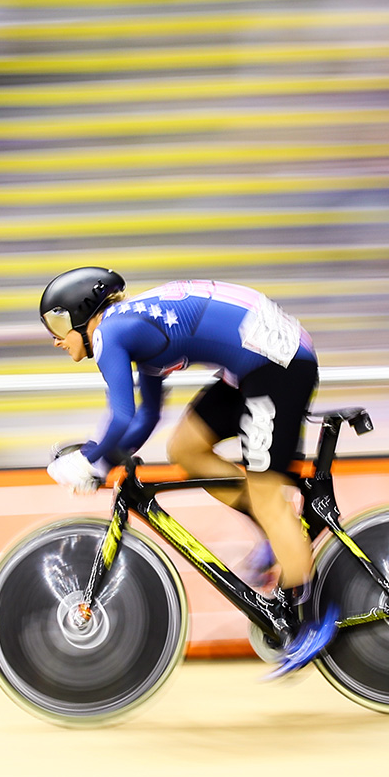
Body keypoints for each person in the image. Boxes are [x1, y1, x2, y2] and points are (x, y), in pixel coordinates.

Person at [38, 266, 336, 669]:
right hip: (257, 363)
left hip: (277, 365)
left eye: (56, 321)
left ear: (82, 310)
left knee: (268, 496)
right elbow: (145, 420)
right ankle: (275, 533)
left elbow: (122, 417)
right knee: (186, 448)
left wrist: (91, 460)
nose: (54, 337)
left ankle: (309, 624)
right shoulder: (131, 330)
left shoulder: (110, 332)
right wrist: (98, 458)